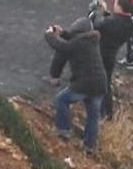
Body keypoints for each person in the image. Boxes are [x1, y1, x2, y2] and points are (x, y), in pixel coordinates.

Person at [44, 17, 107, 155]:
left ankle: (64, 130)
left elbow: (62, 47)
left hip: (85, 84)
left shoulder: (78, 43)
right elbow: (72, 39)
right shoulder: (92, 41)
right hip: (100, 84)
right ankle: (89, 146)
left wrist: (49, 35)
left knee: (61, 99)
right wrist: (62, 32)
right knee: (93, 117)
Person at [92, 0, 133, 119]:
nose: (114, 5)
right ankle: (108, 112)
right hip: (112, 54)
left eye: (116, 3)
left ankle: (101, 111)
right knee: (107, 82)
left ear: (120, 7)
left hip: (101, 53)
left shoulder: (111, 22)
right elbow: (114, 21)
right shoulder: (131, 22)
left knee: (100, 82)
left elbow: (97, 24)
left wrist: (96, 12)